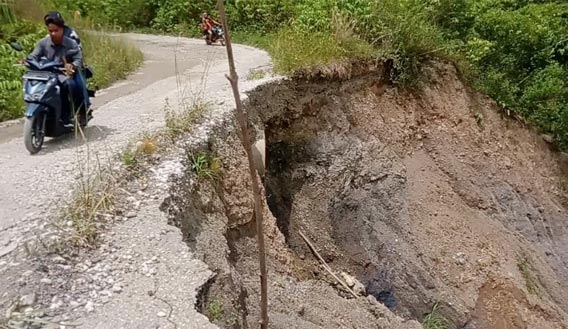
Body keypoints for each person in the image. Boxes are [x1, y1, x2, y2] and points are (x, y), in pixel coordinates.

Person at [28, 13, 86, 127]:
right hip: (48, 74)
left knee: (71, 85)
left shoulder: (71, 41)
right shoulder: (43, 42)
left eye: (56, 30)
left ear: (62, 29)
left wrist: (72, 66)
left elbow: (78, 58)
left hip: (64, 73)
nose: (53, 33)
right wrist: (28, 60)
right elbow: (33, 56)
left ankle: (70, 114)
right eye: (50, 31)